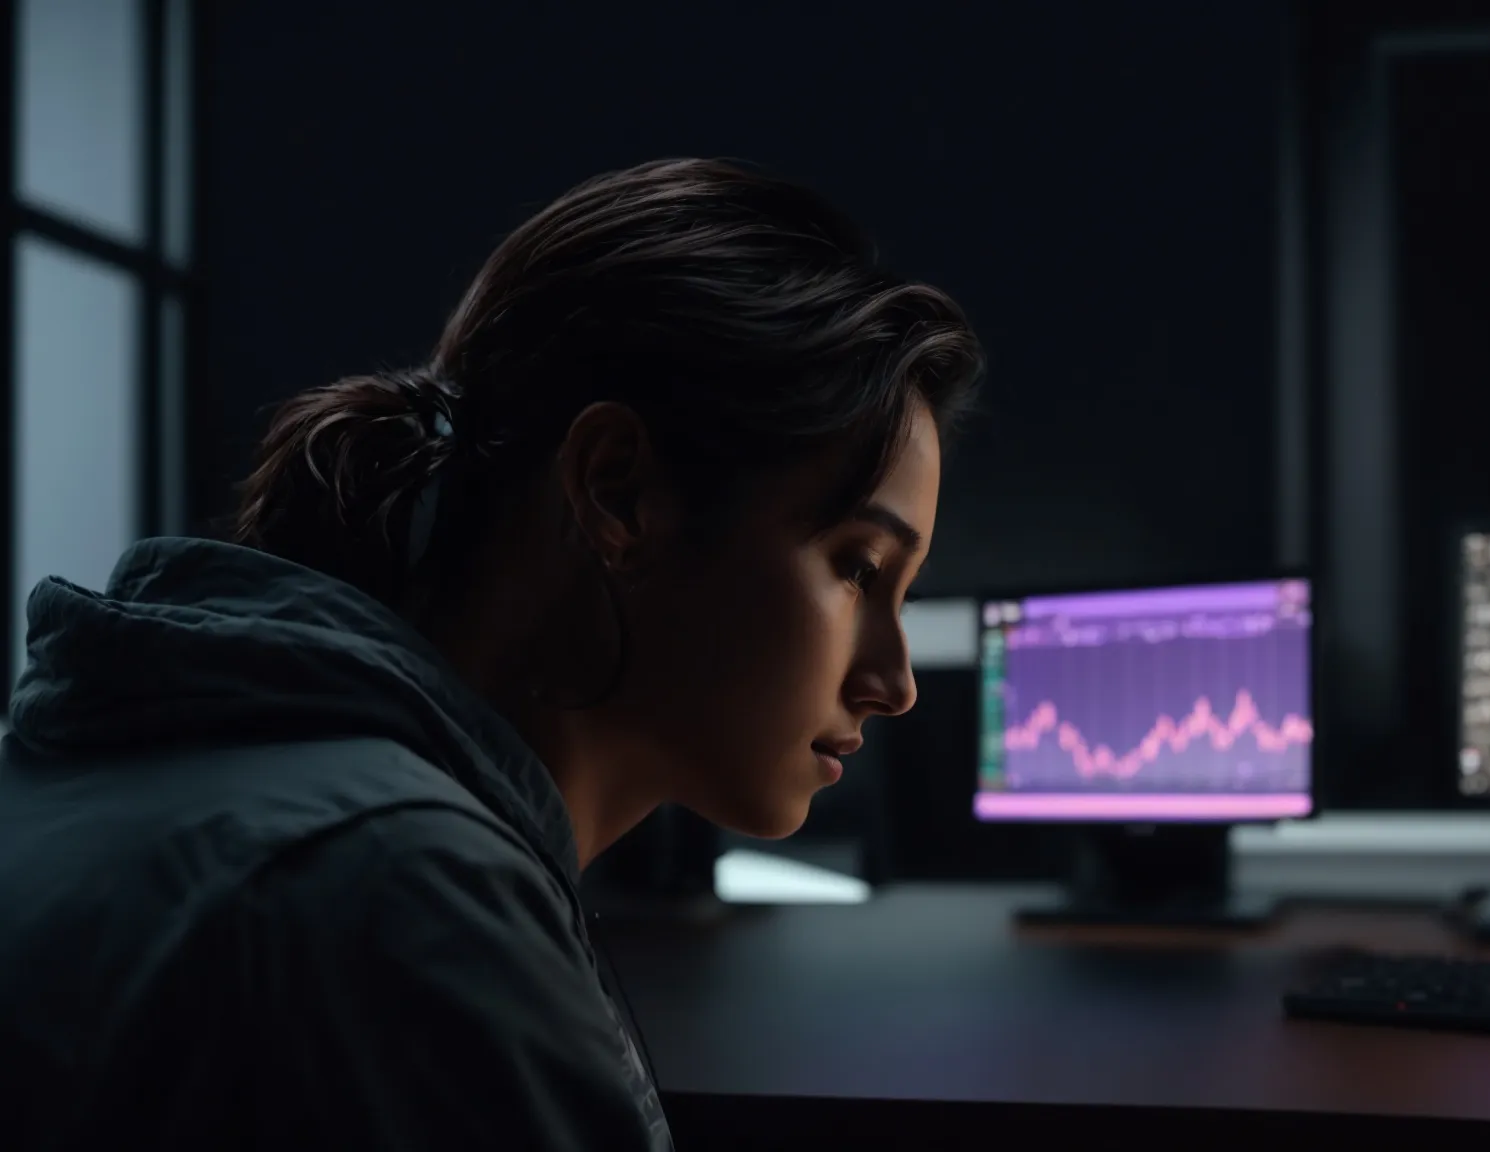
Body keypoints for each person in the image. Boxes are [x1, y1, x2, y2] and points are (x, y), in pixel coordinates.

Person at [0, 158, 983, 1150]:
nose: (894, 683)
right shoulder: (402, 900)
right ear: (616, 493)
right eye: (856, 567)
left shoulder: (155, 768)